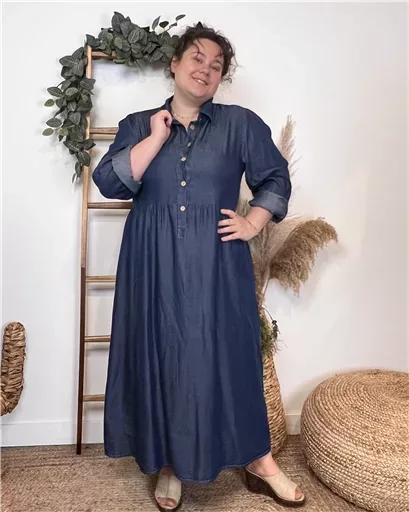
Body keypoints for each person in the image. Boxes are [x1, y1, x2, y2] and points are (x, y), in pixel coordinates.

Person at [93, 22, 305, 511]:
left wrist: (253, 221)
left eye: (216, 65)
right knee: (162, 352)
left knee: (231, 353)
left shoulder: (240, 124)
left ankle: (259, 459)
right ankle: (170, 463)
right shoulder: (137, 124)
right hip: (152, 260)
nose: (205, 70)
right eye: (197, 58)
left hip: (218, 260)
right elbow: (111, 182)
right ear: (174, 64)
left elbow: (275, 178)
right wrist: (155, 137)